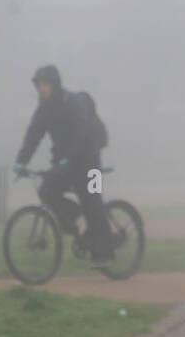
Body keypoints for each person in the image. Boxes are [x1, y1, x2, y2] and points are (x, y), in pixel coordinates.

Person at [13, 65, 112, 262]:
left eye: (46, 84)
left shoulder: (74, 103)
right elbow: (33, 136)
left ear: (55, 85)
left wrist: (69, 157)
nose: (42, 89)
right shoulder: (43, 110)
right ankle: (78, 221)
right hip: (65, 161)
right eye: (39, 85)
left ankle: (106, 252)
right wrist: (21, 162)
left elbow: (82, 133)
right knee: (47, 190)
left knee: (91, 200)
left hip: (88, 158)